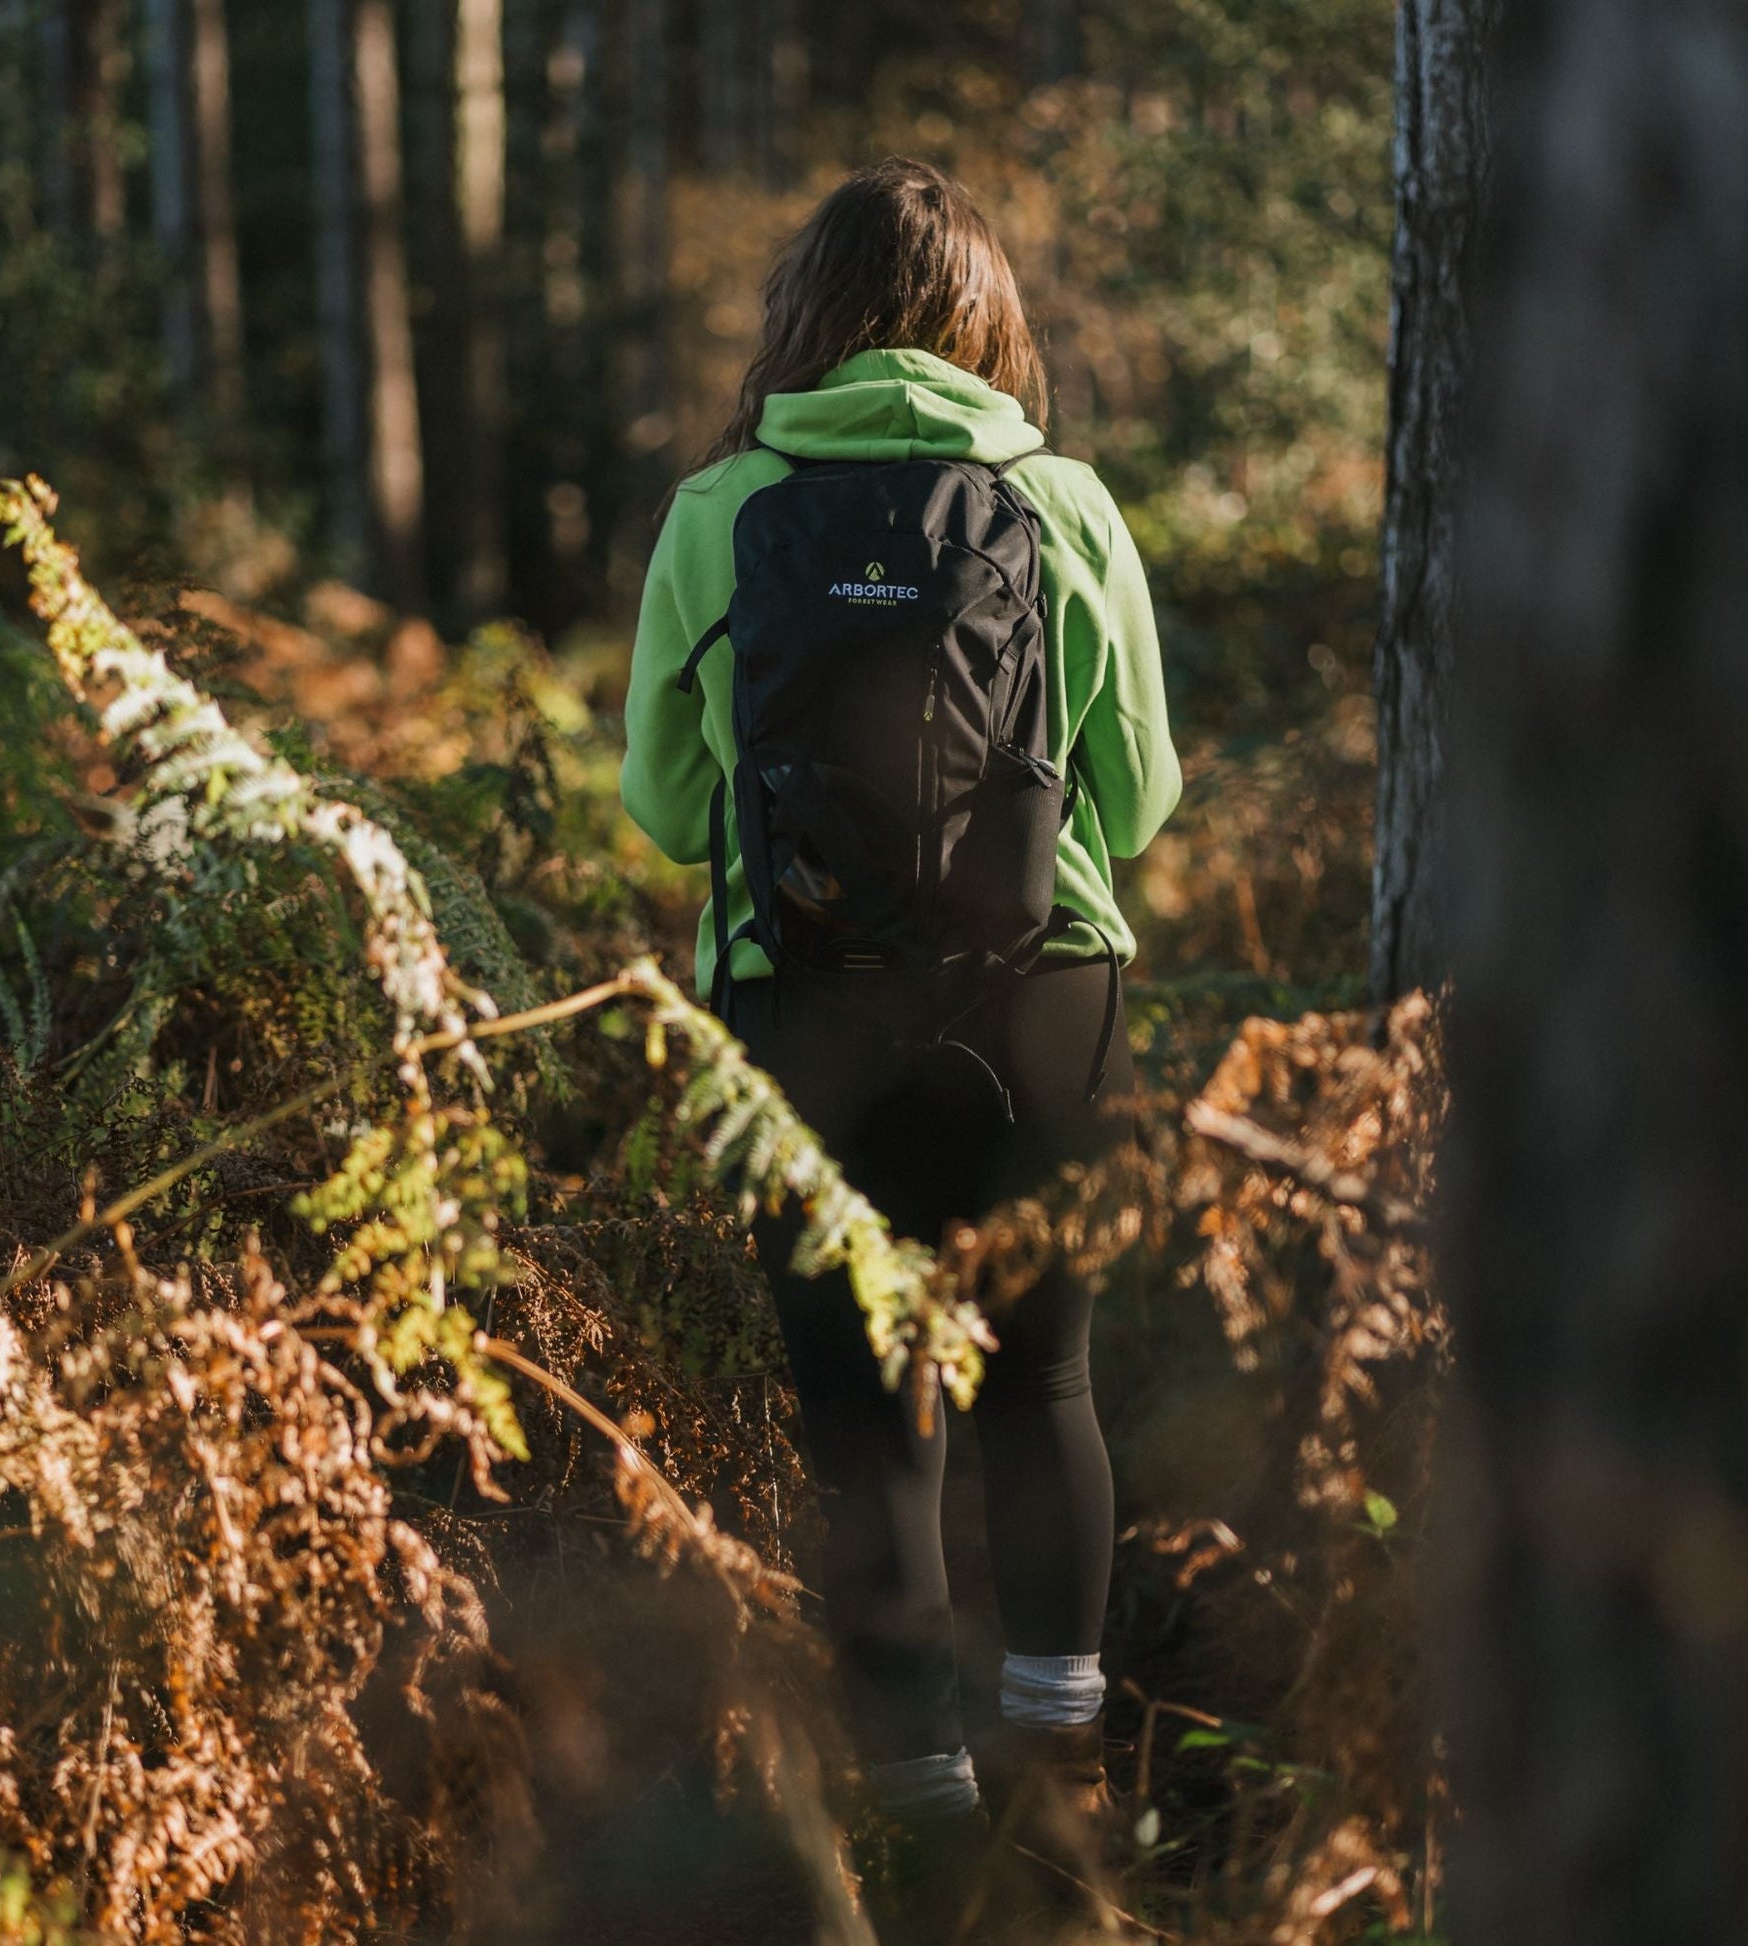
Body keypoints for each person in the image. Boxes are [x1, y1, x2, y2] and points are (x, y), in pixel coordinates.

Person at [620, 157, 1181, 1923]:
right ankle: (1062, 1777)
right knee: (1047, 1380)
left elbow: (655, 800)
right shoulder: (1062, 501)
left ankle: (919, 1817)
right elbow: (1143, 798)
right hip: (1043, 996)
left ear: (806, 319)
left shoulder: (723, 508)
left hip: (799, 1000)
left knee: (867, 1413)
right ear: (983, 324)